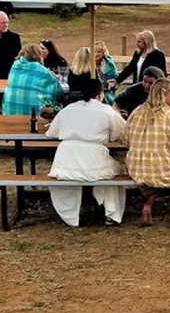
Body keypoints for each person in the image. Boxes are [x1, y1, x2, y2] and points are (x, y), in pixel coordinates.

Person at [46, 79, 127, 227]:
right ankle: (111, 212)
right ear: (100, 94)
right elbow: (123, 132)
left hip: (66, 160)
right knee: (116, 173)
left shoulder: (68, 109)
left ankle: (71, 215)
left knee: (110, 173)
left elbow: (52, 132)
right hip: (93, 158)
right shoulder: (106, 110)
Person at [125, 78, 170, 226]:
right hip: (163, 170)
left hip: (136, 168)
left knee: (152, 175)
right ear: (165, 94)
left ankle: (149, 198)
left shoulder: (136, 112)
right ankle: (157, 201)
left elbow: (126, 140)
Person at [2, 44, 63, 116]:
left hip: (9, 113)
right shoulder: (42, 70)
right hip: (34, 116)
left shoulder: (14, 67)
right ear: (39, 55)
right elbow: (58, 93)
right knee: (58, 107)